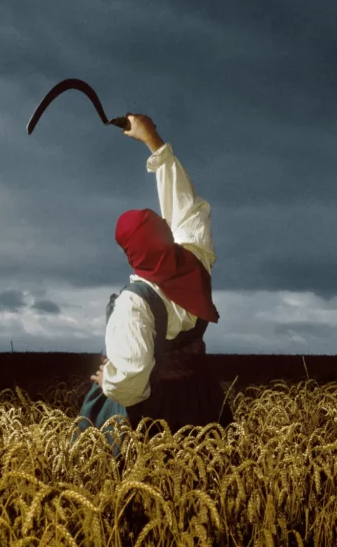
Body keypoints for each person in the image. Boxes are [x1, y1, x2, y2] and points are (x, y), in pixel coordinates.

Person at [72, 111, 234, 461]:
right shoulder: (197, 260)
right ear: (166, 233)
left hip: (151, 420)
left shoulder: (135, 304)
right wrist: (152, 140)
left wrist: (107, 381)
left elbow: (130, 381)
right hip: (201, 404)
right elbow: (187, 208)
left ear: (130, 254)